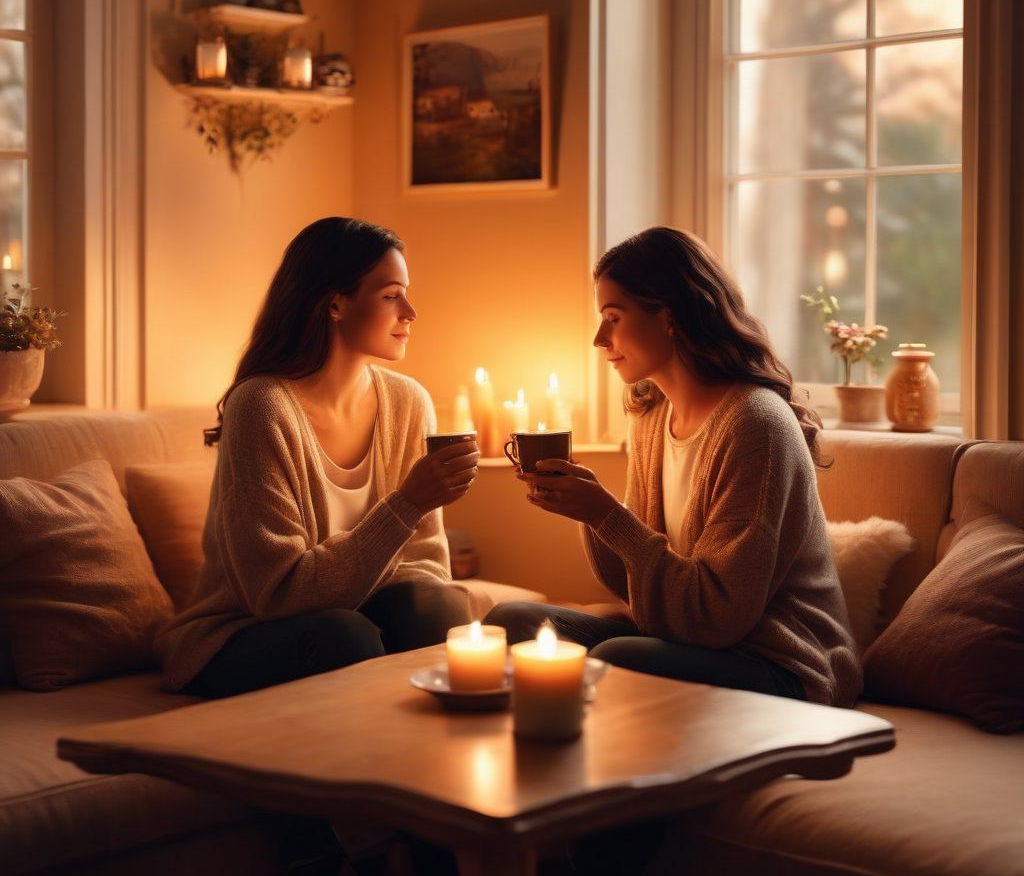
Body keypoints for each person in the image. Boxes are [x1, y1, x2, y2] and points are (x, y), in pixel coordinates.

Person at [486, 227, 861, 707]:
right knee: (511, 622)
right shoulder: (651, 414)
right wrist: (587, 510)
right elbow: (635, 585)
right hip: (691, 641)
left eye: (613, 317)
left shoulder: (755, 424)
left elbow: (717, 617)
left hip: (782, 665)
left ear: (669, 316)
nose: (600, 339)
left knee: (622, 658)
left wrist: (606, 516)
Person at [157, 217, 478, 698]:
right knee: (344, 637)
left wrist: (412, 599)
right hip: (243, 635)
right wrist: (406, 505)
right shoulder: (262, 407)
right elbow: (276, 595)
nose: (410, 311)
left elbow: (427, 567)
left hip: (360, 617)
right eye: (391, 295)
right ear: (335, 303)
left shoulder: (410, 402)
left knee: (439, 608)